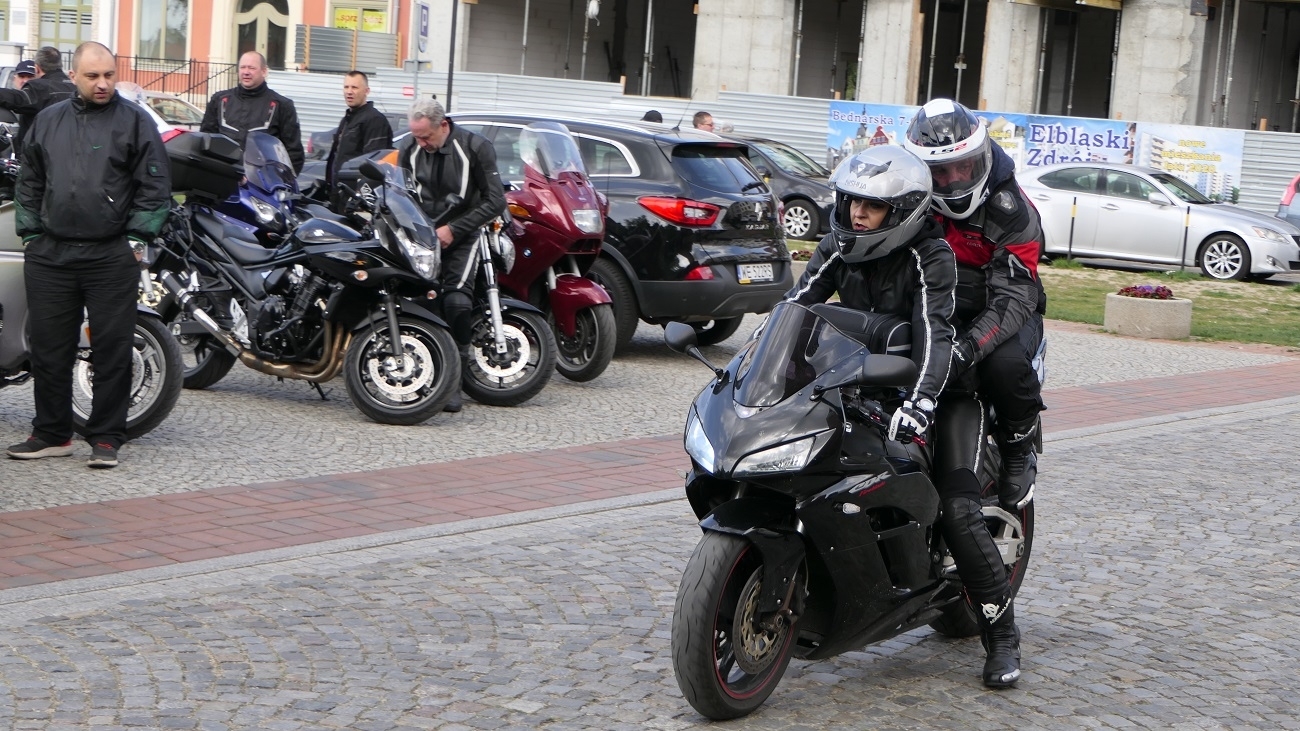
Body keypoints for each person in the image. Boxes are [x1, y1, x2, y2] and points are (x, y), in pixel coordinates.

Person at [902, 97, 1046, 687]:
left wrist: (961, 352)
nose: (953, 180)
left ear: (980, 158)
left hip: (999, 313)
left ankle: (1018, 443)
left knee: (1005, 366)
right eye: (940, 171)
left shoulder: (1012, 209)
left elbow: (1014, 298)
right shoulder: (898, 204)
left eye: (962, 166)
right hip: (930, 324)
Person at [6, 41, 171, 468]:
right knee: (49, 349)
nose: (102, 84)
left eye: (109, 75)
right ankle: (51, 433)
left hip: (110, 255)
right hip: (51, 253)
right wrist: (31, 235)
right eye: (93, 76)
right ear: (73, 76)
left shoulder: (135, 121)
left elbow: (155, 186)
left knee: (112, 349)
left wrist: (136, 240)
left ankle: (106, 438)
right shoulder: (48, 120)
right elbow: (29, 180)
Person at [397, 98, 506, 413]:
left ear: (443, 125)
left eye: (426, 136)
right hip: (421, 236)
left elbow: (496, 200)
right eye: (416, 136)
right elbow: (400, 193)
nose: (421, 143)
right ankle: (419, 374)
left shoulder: (475, 147)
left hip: (464, 233)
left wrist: (454, 229)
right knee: (419, 301)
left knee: (456, 302)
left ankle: (453, 383)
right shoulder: (409, 147)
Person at [200, 51, 305, 173]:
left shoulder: (282, 105)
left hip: (263, 180)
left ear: (264, 71)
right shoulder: (219, 100)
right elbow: (205, 139)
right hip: (224, 177)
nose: (246, 72)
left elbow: (294, 153)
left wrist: (281, 180)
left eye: (252, 68)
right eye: (242, 67)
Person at [324, 70, 392, 207]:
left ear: (367, 91)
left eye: (354, 87)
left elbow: (374, 165)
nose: (349, 92)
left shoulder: (375, 120)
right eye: (346, 87)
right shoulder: (348, 119)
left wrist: (359, 198)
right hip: (339, 195)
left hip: (356, 201)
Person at [0, 47, 76, 160]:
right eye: (21, 76)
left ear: (37, 68)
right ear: (60, 64)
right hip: (73, 156)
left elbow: (17, 98)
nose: (25, 80)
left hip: (40, 159)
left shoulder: (38, 87)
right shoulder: (75, 86)